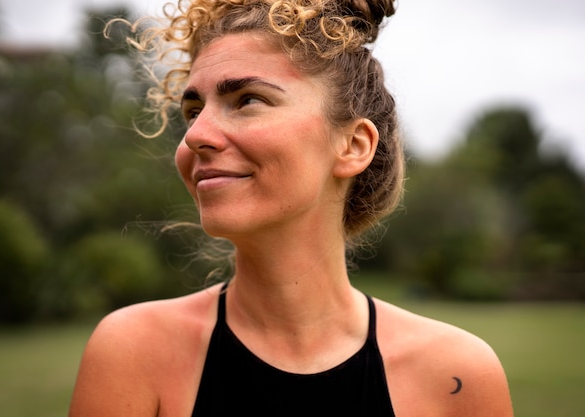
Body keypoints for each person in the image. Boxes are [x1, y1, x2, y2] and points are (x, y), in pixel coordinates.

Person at [68, 0, 513, 416]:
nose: (195, 136)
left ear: (353, 145)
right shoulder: (133, 353)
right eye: (193, 110)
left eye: (247, 100)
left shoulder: (457, 377)